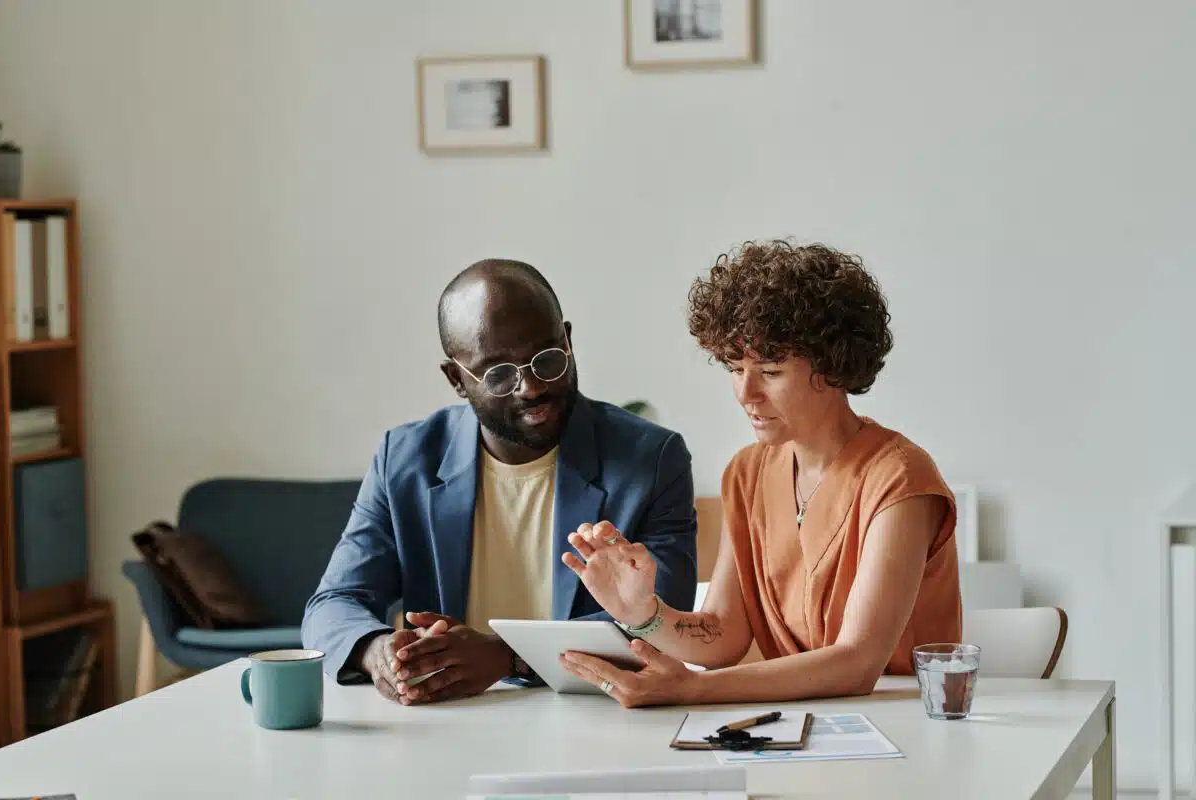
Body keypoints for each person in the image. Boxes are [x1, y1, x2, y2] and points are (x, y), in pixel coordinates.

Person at [558, 240, 961, 707]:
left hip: (902, 721)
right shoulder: (748, 472)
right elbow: (723, 637)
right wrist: (644, 613)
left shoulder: (900, 477)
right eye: (734, 368)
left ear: (833, 366)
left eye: (770, 371)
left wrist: (694, 690)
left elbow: (858, 662)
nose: (746, 393)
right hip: (794, 719)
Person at [302, 258, 697, 705]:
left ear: (567, 341)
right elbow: (333, 603)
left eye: (546, 358)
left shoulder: (651, 459)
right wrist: (377, 653)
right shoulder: (405, 459)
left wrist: (509, 657)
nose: (529, 387)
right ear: (456, 379)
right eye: (498, 373)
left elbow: (667, 621)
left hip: (593, 712)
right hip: (451, 719)